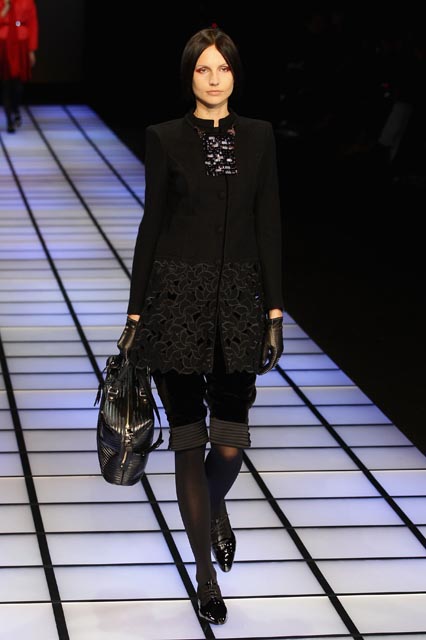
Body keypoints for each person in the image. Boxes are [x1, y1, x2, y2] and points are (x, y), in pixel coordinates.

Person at [118, 26, 284, 625]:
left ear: (236, 73)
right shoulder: (164, 138)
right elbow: (152, 224)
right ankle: (205, 577)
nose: (214, 79)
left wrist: (274, 311)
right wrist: (136, 312)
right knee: (189, 439)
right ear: (189, 75)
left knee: (231, 444)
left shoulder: (259, 136)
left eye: (223, 68)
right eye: (202, 69)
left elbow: (268, 221)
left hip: (239, 302)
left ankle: (212, 508)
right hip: (176, 303)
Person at [0, 0, 38, 133]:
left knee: (17, 85)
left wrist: (31, 49)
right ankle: (9, 120)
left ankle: (15, 109)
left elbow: (32, 24)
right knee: (5, 83)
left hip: (21, 42)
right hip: (3, 43)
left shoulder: (27, 1)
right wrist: (5, 8)